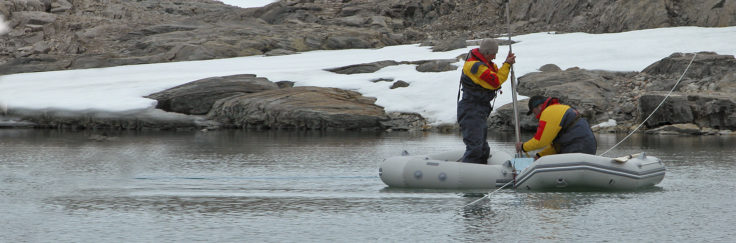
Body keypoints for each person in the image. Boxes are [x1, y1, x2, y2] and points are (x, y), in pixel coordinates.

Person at [457, 38, 516, 164]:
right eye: (494, 54)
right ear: (487, 53)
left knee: (483, 149)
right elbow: (495, 82)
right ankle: (468, 177)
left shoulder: (486, 63)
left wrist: (507, 63)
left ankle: (481, 175)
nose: (495, 57)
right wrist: (506, 65)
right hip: (471, 109)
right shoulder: (475, 66)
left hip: (479, 109)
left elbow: (497, 74)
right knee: (475, 148)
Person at [515, 95, 597, 160]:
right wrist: (539, 156)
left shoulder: (548, 112)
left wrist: (523, 147)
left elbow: (540, 141)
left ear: (540, 106)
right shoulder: (559, 108)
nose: (535, 115)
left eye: (534, 112)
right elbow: (556, 147)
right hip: (588, 148)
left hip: (577, 148)